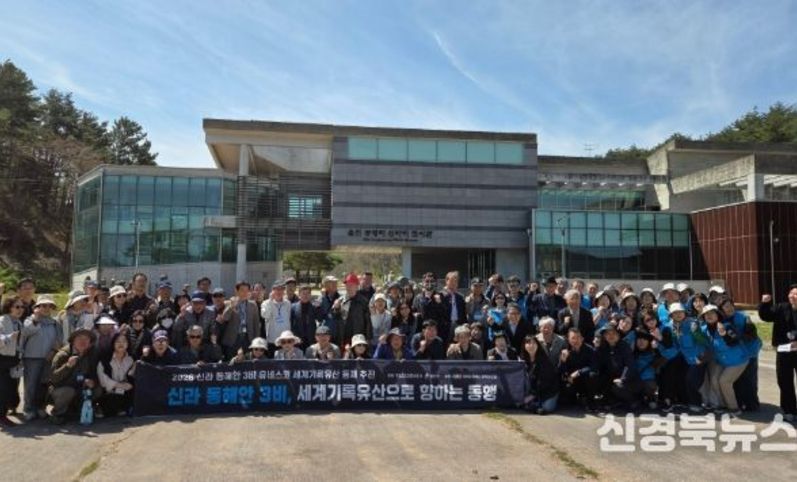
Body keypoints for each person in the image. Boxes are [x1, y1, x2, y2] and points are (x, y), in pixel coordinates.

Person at [19, 295, 64, 422]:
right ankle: (28, 409)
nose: (46, 308)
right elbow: (25, 333)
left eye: (49, 306)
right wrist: (36, 319)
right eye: (43, 305)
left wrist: (54, 351)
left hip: (49, 358)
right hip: (31, 358)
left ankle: (40, 407)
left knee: (44, 385)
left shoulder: (55, 323)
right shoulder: (29, 320)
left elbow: (59, 340)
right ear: (37, 307)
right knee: (30, 385)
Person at [701, 305, 748, 416]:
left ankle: (733, 408)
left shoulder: (726, 326)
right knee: (714, 379)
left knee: (724, 381)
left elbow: (735, 340)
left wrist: (724, 335)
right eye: (706, 314)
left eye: (712, 313)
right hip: (721, 361)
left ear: (718, 315)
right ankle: (722, 404)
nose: (709, 316)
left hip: (738, 361)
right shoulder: (704, 330)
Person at [758, 286, 797, 421]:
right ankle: (789, 410)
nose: (792, 296)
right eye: (791, 293)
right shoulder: (781, 308)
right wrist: (765, 303)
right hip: (784, 351)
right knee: (784, 381)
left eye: (796, 294)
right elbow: (766, 316)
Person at [48, 328, 100, 424]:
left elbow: (93, 374)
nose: (83, 341)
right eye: (79, 338)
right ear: (73, 340)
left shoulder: (90, 354)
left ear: (90, 342)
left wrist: (91, 381)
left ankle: (77, 411)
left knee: (97, 389)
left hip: (79, 387)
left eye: (86, 339)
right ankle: (57, 414)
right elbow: (53, 378)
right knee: (68, 391)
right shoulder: (63, 355)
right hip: (59, 389)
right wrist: (67, 366)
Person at [595, 324, 640, 411]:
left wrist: (623, 378)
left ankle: (633, 401)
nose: (610, 336)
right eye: (607, 334)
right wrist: (596, 349)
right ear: (604, 336)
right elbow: (598, 364)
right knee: (596, 378)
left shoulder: (624, 346)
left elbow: (630, 366)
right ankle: (611, 401)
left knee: (618, 386)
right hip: (611, 377)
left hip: (627, 379)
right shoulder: (603, 347)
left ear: (618, 335)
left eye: (613, 333)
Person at [97, 332, 135, 417]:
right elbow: (103, 380)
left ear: (128, 344)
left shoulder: (131, 359)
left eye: (124, 341)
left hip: (123, 391)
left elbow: (131, 377)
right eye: (118, 341)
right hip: (108, 391)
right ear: (113, 343)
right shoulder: (105, 358)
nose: (121, 344)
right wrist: (119, 385)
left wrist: (129, 384)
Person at [221, 281, 261, 360]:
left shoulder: (253, 305)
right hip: (233, 339)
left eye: (247, 291)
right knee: (231, 362)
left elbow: (256, 324)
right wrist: (232, 306)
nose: (244, 293)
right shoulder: (229, 303)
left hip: (248, 338)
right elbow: (225, 318)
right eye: (242, 290)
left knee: (247, 362)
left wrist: (257, 341)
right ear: (236, 291)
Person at [559, 328, 597, 409]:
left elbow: (593, 366)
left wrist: (579, 372)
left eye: (578, 337)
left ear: (582, 338)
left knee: (592, 375)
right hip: (571, 380)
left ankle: (590, 400)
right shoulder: (565, 351)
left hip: (584, 378)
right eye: (573, 338)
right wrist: (563, 361)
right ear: (568, 340)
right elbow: (561, 371)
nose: (576, 340)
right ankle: (575, 399)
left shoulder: (590, 349)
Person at [521, 335, 559, 414]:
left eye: (534, 343)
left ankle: (535, 404)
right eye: (528, 343)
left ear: (538, 345)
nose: (531, 345)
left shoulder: (544, 360)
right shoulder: (523, 360)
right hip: (533, 390)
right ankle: (535, 405)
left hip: (548, 390)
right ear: (524, 346)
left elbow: (544, 382)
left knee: (547, 408)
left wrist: (532, 395)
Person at [0, 296, 24, 426]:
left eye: (22, 307)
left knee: (10, 387)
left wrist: (20, 357)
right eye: (17, 307)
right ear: (9, 307)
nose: (20, 309)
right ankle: (1, 417)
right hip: (2, 359)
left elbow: (18, 343)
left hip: (13, 359)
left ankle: (7, 411)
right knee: (3, 389)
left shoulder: (17, 322)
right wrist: (10, 337)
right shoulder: (3, 320)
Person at [332, 273, 372, 349]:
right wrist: (336, 309)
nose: (349, 287)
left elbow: (368, 321)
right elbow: (335, 318)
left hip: (358, 338)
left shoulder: (363, 302)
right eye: (347, 285)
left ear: (357, 286)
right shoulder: (340, 300)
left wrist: (368, 338)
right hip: (343, 337)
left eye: (351, 285)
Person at [262, 280, 294, 356]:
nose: (279, 292)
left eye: (281, 289)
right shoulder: (266, 303)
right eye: (277, 289)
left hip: (286, 340)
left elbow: (288, 318)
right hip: (272, 340)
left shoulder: (288, 303)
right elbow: (265, 315)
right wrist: (270, 301)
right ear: (273, 290)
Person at [633, 329, 663, 410]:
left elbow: (661, 360)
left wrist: (657, 349)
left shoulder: (654, 353)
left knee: (649, 385)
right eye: (639, 339)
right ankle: (637, 399)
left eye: (644, 339)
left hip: (649, 382)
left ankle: (651, 398)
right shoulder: (631, 353)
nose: (641, 341)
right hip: (635, 381)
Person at [291, 285, 322, 350]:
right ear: (299, 295)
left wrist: (319, 308)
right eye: (303, 293)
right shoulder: (293, 307)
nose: (306, 295)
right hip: (297, 340)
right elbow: (291, 323)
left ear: (310, 295)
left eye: (308, 293)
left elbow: (320, 319)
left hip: (311, 340)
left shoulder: (315, 307)